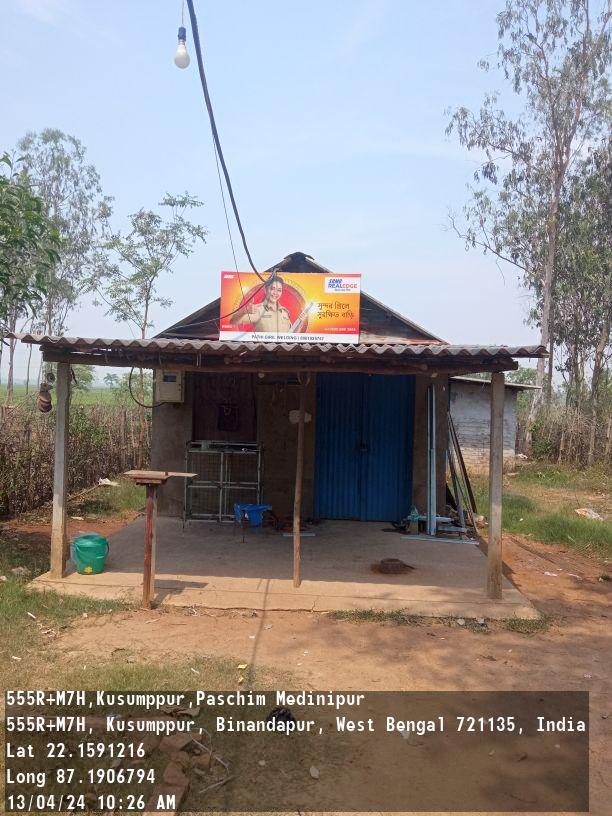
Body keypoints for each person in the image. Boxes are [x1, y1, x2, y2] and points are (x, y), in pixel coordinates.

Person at [230, 276, 298, 334]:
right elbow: (233, 321)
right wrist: (244, 311)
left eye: (279, 290)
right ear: (265, 290)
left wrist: (300, 322)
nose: (275, 293)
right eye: (272, 289)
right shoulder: (258, 309)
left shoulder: (284, 312)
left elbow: (290, 335)